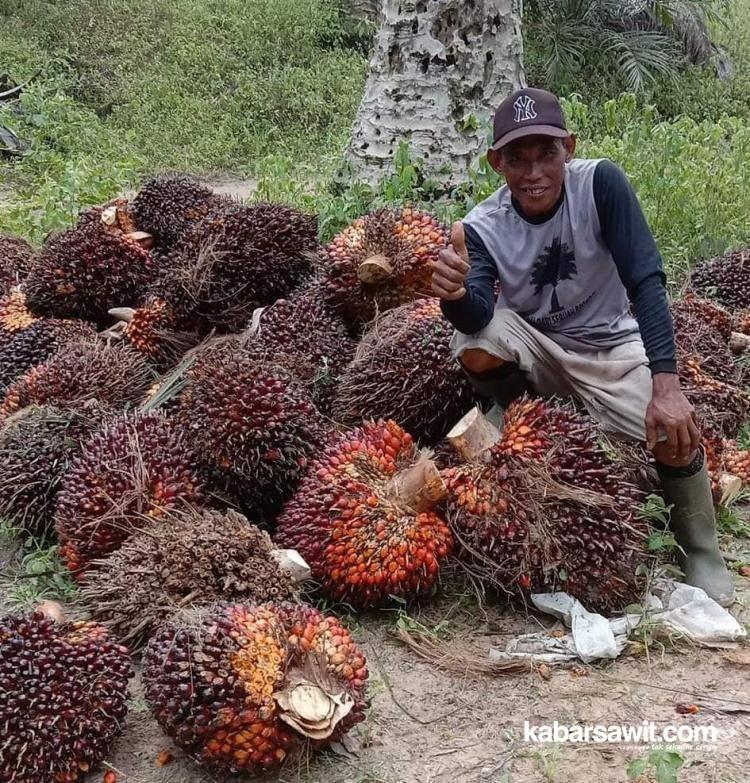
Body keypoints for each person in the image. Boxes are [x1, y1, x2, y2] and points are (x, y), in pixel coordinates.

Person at [431, 87, 734, 606]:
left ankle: (699, 546)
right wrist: (455, 295)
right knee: (476, 339)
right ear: (495, 162)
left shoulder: (601, 185)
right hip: (539, 346)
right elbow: (479, 312)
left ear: (568, 148)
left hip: (610, 346)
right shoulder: (481, 226)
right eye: (517, 158)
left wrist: (666, 382)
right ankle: (511, 415)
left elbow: (646, 279)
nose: (533, 173)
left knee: (673, 428)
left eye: (546, 153)